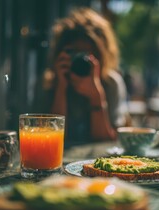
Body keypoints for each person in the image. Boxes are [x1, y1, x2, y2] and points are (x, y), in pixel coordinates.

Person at [42, 7, 129, 146]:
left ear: (101, 56)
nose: (79, 61)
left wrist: (97, 96)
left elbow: (107, 144)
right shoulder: (50, 82)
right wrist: (60, 88)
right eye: (74, 53)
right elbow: (49, 140)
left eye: (87, 56)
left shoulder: (111, 83)